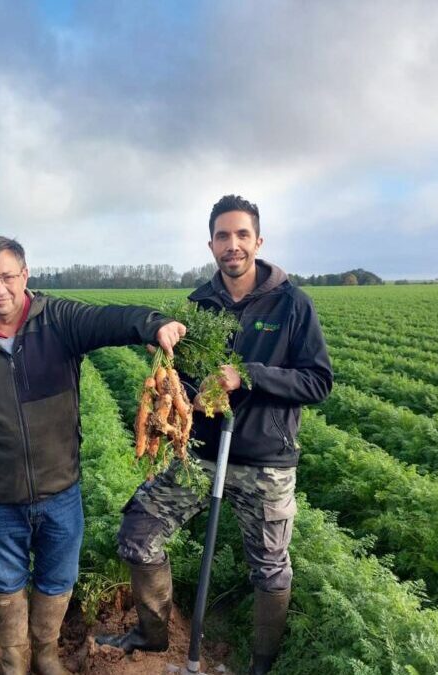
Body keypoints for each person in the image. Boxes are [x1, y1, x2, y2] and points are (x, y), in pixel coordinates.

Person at [0, 235, 186, 675]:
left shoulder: (57, 320)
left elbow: (107, 320)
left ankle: (45, 654)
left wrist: (153, 324)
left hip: (59, 487)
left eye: (7, 276)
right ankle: (14, 660)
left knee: (58, 577)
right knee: (5, 581)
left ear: (25, 275)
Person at [97, 195, 333, 675]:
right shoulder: (198, 306)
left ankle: (260, 665)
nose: (233, 245)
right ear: (211, 244)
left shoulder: (292, 305)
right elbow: (185, 379)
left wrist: (247, 374)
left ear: (258, 241)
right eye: (223, 236)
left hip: (267, 459)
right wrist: (169, 378)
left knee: (269, 568)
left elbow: (317, 381)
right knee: (138, 532)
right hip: (200, 451)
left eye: (242, 234)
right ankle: (153, 635)